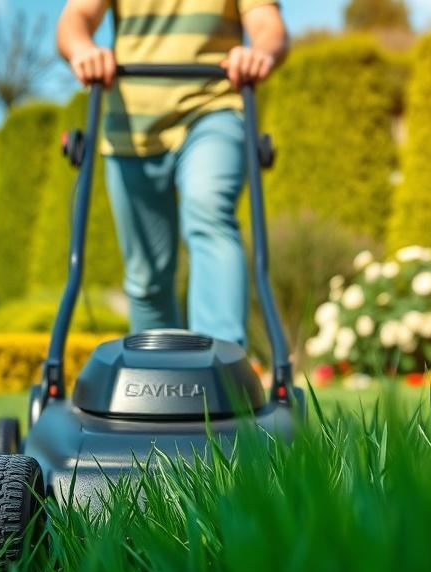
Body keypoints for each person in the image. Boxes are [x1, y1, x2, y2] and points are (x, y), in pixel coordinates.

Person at [57, 0, 289, 347]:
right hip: (131, 127)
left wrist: (260, 54)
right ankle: (156, 378)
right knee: (146, 276)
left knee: (208, 211)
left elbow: (268, 25)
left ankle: (220, 369)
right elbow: (76, 18)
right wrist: (83, 49)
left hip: (212, 109)